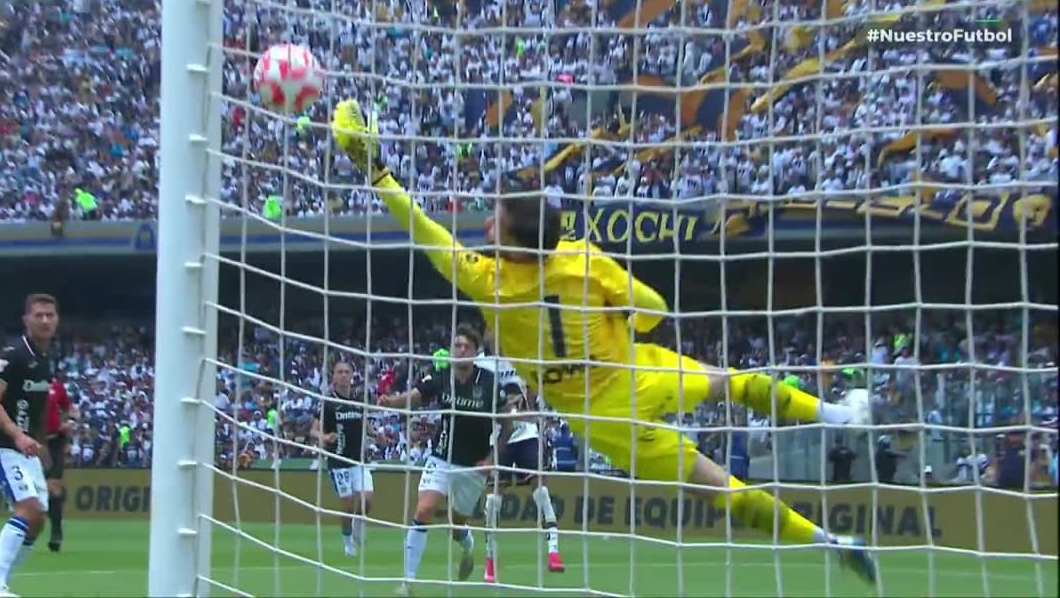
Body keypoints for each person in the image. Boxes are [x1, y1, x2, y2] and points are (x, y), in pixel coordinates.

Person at [330, 98, 878, 587]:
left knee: (718, 485)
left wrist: (376, 170)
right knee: (735, 384)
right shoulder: (582, 258)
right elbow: (655, 310)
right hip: (635, 366)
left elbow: (422, 226)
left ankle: (833, 544)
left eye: (495, 223)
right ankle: (836, 415)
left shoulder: (487, 279)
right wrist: (618, 322)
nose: (488, 230)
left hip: (604, 417)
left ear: (515, 242)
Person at [377, 324, 516, 597]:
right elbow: (415, 398)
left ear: (475, 353)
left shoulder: (489, 384)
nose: (460, 350)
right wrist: (391, 401)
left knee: (456, 523)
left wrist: (490, 459)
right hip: (441, 457)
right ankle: (407, 582)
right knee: (424, 510)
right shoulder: (440, 377)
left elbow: (507, 428)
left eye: (466, 346)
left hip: (473, 465)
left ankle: (467, 545)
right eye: (457, 345)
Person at [0, 293, 59, 598]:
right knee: (28, 509)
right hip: (2, 446)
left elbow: (35, 408)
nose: (45, 320)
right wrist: (17, 435)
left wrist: (42, 445)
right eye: (38, 315)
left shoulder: (45, 361)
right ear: (26, 320)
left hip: (28, 449)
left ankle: (2, 584)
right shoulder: (13, 356)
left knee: (37, 521)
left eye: (50, 315)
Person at [476, 326, 563, 582]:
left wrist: (529, 405)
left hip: (526, 430)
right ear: (486, 335)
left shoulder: (521, 356)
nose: (496, 335)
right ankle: (490, 559)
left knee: (541, 489)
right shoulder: (481, 363)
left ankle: (554, 550)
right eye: (491, 330)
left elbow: (534, 387)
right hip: (498, 435)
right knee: (493, 500)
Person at [310, 360, 374, 557]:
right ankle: (347, 542)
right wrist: (325, 437)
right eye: (340, 372)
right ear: (334, 376)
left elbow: (363, 424)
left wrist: (376, 434)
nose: (344, 375)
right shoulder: (328, 403)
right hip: (338, 461)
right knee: (347, 505)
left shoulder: (357, 400)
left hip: (359, 460)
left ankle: (357, 525)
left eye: (347, 371)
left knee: (367, 501)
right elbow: (313, 430)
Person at [44, 373, 77, 551]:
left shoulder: (56, 386)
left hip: (55, 440)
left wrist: (69, 423)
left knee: (53, 486)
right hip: (34, 441)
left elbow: (69, 408)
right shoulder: (26, 385)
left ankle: (56, 532)